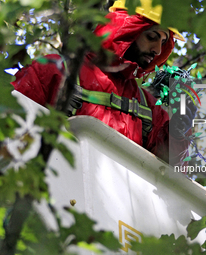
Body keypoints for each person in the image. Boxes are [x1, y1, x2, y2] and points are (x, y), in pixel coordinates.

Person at [11, 0, 196, 166]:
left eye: (163, 42)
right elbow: (10, 128)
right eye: (152, 37)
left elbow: (168, 174)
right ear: (128, 28)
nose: (157, 50)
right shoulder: (54, 70)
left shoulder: (148, 106)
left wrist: (178, 131)